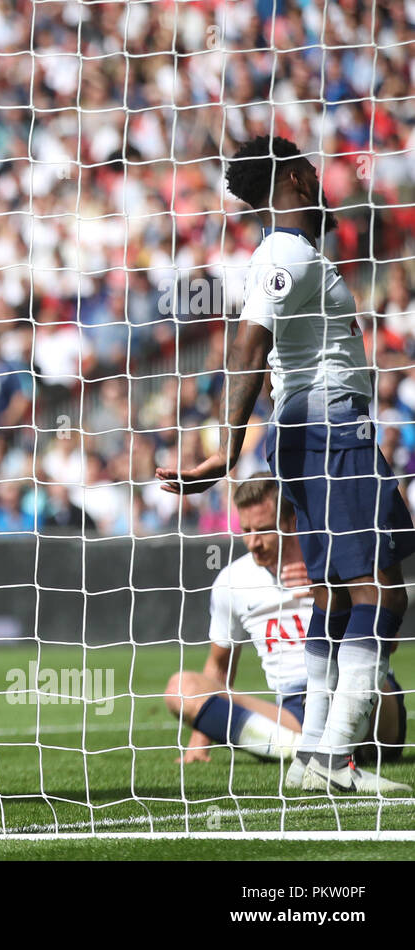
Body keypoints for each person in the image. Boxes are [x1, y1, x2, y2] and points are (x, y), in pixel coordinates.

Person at [158, 135, 414, 793]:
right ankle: (332, 753)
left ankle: (314, 754)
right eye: (316, 171)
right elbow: (248, 348)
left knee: (329, 595)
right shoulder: (286, 252)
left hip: (306, 430)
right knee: (381, 591)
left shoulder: (291, 252)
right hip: (329, 425)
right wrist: (225, 446)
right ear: (298, 176)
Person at [165, 474, 405, 766]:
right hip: (294, 711)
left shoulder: (337, 562)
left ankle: (317, 746)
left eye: (264, 530)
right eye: (246, 529)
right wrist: (200, 740)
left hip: (363, 691)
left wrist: (326, 589)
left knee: (361, 685)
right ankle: (304, 749)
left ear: (293, 522)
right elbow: (219, 666)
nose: (253, 542)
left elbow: (386, 644)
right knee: (182, 689)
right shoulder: (232, 581)